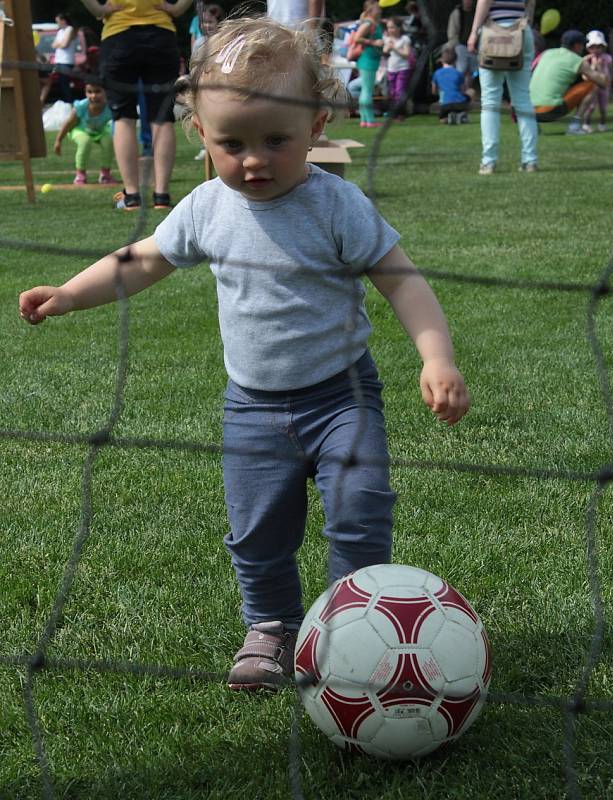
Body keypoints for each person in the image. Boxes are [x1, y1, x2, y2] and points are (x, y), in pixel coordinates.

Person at [19, 16, 470, 692]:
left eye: (275, 141)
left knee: (361, 503)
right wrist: (71, 294)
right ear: (200, 134)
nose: (253, 160)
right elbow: (140, 260)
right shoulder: (206, 208)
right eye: (232, 143)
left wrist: (436, 357)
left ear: (317, 125)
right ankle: (270, 624)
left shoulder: (337, 206)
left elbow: (402, 281)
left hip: (342, 396)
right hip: (253, 408)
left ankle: (352, 623)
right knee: (256, 531)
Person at [79, 0, 194, 211]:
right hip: (161, 35)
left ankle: (131, 196)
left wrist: (99, 10)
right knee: (162, 118)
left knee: (123, 118)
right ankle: (161, 197)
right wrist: (177, 9)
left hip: (118, 36)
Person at [467, 0, 538, 175]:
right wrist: (526, 20)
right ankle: (530, 161)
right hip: (521, 31)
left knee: (490, 101)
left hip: (494, 31)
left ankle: (488, 162)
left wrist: (473, 32)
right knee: (523, 100)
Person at [530, 30, 610, 135]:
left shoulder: (547, 53)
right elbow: (603, 83)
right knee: (592, 85)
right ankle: (574, 127)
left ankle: (532, 127)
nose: (583, 48)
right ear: (577, 45)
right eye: (583, 44)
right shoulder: (577, 60)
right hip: (549, 111)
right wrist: (598, 67)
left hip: (528, 111)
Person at [53, 82, 117, 185]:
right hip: (79, 130)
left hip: (99, 131)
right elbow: (68, 123)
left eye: (98, 91)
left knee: (109, 140)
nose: (93, 96)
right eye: (89, 92)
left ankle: (105, 174)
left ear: (105, 92)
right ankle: (80, 174)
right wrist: (58, 140)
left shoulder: (110, 106)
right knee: (85, 141)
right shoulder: (81, 106)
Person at [190, 3, 224, 161]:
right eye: (204, 23)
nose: (207, 25)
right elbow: (195, 63)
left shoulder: (223, 40)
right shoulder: (199, 42)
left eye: (211, 22)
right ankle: (206, 146)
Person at [354, 1, 384, 128]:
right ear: (371, 10)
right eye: (377, 8)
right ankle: (370, 120)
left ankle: (364, 120)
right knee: (367, 90)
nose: (380, 10)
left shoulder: (371, 23)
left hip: (369, 59)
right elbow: (357, 38)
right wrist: (374, 42)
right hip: (368, 59)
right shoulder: (368, 23)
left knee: (365, 91)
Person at [41, 12, 77, 105]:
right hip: (59, 60)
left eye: (58, 21)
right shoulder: (60, 32)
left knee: (65, 83)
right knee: (61, 83)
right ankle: (65, 102)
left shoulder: (70, 29)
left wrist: (59, 44)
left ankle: (69, 102)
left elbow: (65, 44)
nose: (57, 24)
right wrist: (59, 44)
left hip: (66, 60)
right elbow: (54, 44)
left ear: (63, 21)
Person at [580, 30, 613, 133]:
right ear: (588, 48)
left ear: (603, 47)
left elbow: (610, 70)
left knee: (603, 107)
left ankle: (602, 124)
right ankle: (586, 124)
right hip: (592, 86)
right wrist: (594, 65)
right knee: (591, 106)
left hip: (604, 86)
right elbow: (585, 73)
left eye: (599, 47)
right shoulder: (587, 59)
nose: (596, 50)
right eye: (593, 47)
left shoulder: (607, 58)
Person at [432, 47, 473, 124]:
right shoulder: (458, 73)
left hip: (445, 104)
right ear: (455, 60)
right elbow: (462, 90)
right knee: (471, 91)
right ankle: (461, 115)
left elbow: (433, 91)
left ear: (442, 60)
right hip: (460, 103)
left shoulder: (437, 73)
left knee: (442, 120)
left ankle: (448, 118)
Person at [382, 16, 413, 120]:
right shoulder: (387, 39)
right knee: (392, 92)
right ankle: (394, 112)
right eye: (388, 27)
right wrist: (387, 46)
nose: (390, 30)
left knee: (400, 91)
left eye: (392, 27)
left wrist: (394, 48)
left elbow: (406, 54)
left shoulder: (405, 39)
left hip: (402, 68)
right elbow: (385, 52)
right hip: (391, 68)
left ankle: (400, 113)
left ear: (399, 28)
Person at [446, 0, 478, 93]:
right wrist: (453, 43)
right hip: (460, 44)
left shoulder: (476, 12)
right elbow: (452, 31)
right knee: (461, 69)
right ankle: (458, 91)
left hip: (474, 46)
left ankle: (467, 92)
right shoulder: (457, 13)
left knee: (472, 71)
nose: (468, 2)